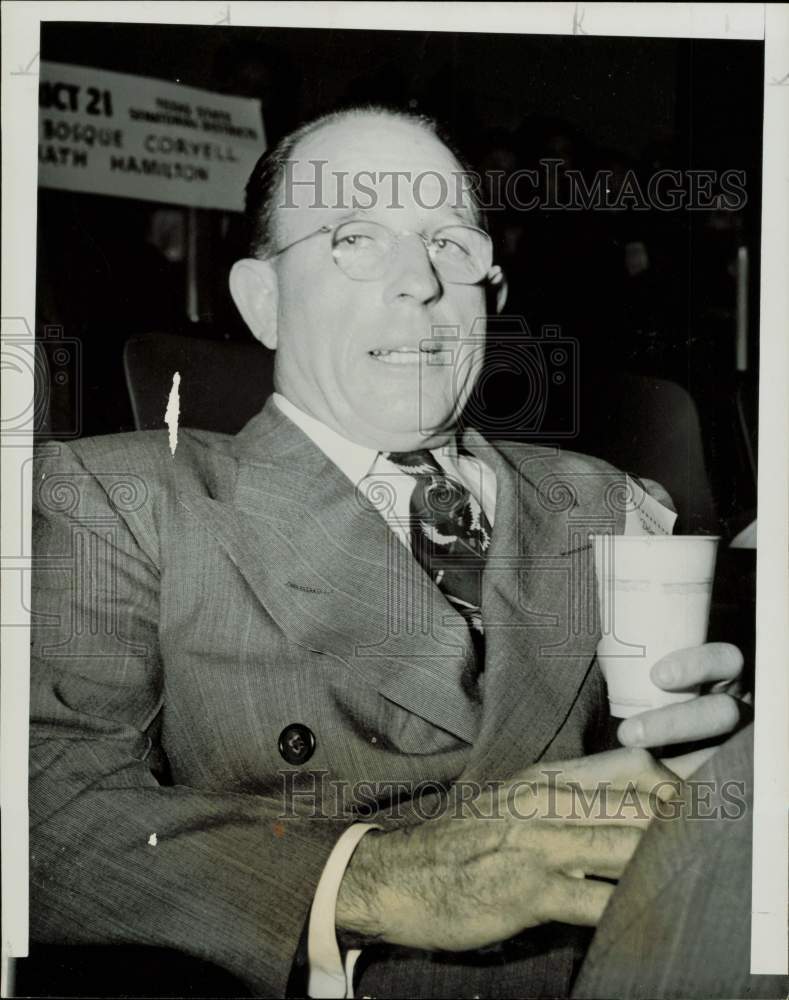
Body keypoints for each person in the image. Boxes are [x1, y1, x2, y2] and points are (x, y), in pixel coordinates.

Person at [29, 106, 747, 999]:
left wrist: (709, 782)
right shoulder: (120, 500)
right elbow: (43, 816)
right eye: (355, 238)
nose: (419, 282)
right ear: (263, 303)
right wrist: (384, 880)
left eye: (450, 242)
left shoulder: (608, 500)